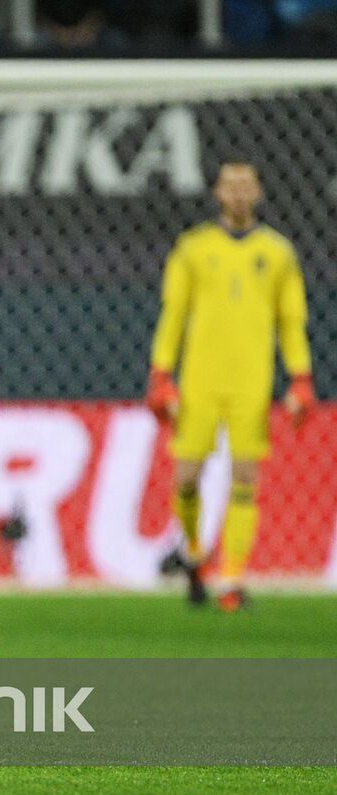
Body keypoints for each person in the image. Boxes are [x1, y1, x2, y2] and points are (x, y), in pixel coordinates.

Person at [147, 159, 314, 612]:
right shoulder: (193, 248)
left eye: (247, 185)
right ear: (218, 192)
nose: (239, 193)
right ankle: (197, 556)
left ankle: (233, 579)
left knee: (245, 478)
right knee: (186, 479)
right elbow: (173, 314)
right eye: (230, 185)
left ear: (258, 192)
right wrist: (160, 374)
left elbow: (291, 322)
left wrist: (300, 378)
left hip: (251, 383)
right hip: (200, 381)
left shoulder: (278, 253)